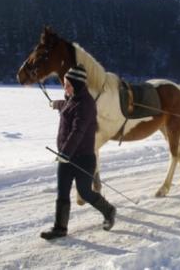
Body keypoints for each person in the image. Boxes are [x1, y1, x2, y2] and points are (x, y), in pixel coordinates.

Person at [40, 64, 116, 240]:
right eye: (64, 84)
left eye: (68, 84)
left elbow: (78, 130)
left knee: (86, 193)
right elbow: (68, 105)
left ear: (78, 84)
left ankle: (109, 210)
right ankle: (60, 228)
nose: (64, 88)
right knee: (62, 192)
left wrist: (65, 153)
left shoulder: (86, 104)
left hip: (83, 159)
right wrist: (57, 104)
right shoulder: (73, 98)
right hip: (67, 157)